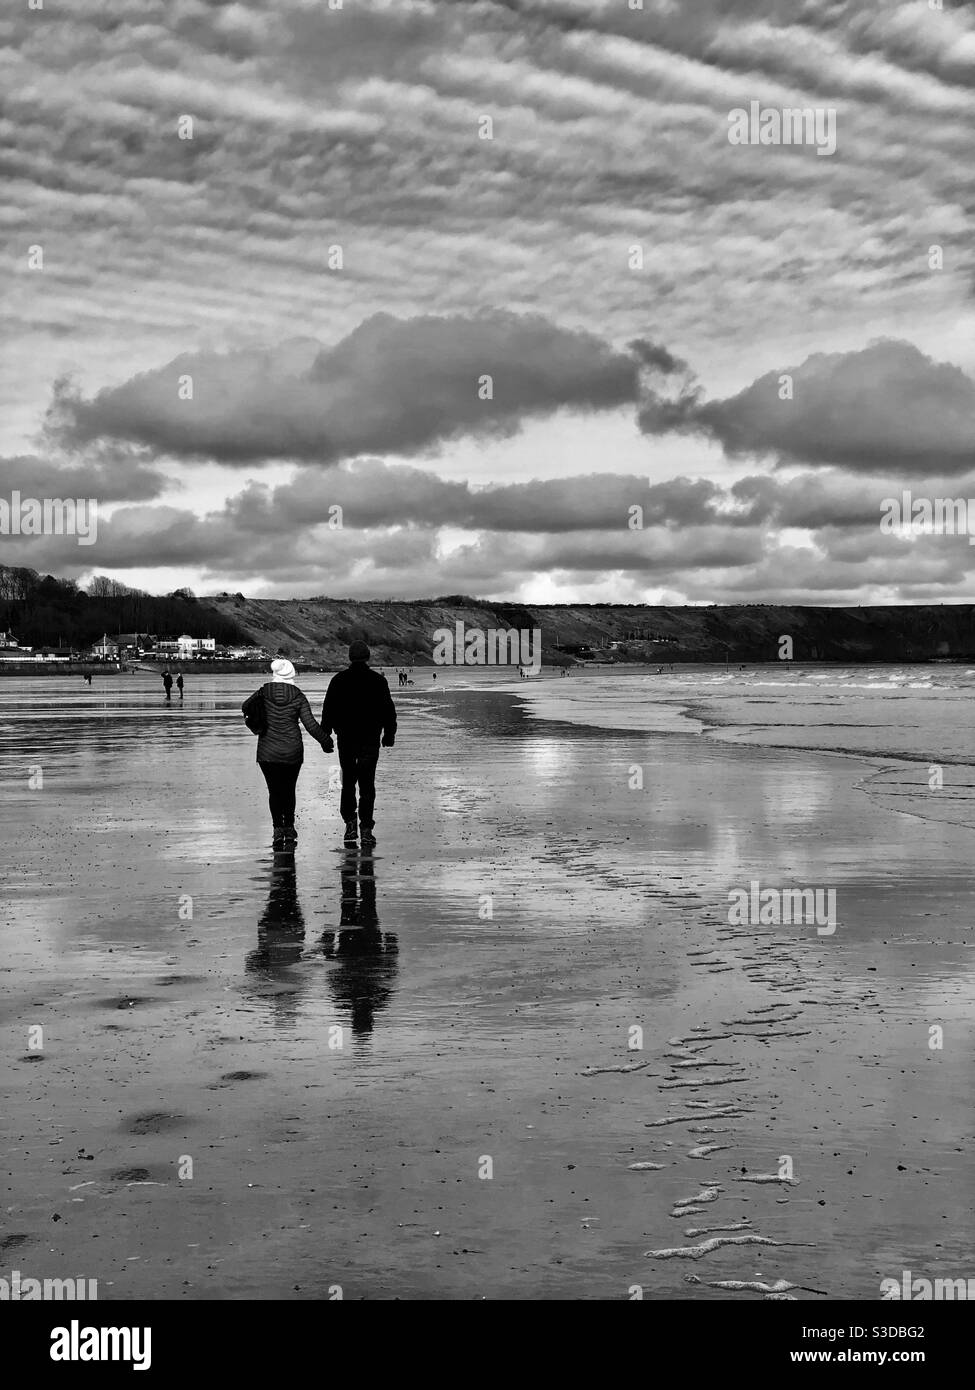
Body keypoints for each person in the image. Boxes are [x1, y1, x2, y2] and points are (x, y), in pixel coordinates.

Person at [242, 658, 332, 851]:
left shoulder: (263, 692)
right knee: (289, 789)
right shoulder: (298, 696)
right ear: (291, 674)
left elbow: (245, 706)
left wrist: (259, 720)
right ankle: (289, 827)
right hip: (292, 751)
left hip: (267, 751)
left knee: (274, 791)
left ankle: (277, 830)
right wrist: (326, 741)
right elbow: (310, 724)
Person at [321, 641, 396, 847]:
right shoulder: (378, 681)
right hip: (370, 739)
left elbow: (328, 711)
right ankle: (366, 828)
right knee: (367, 785)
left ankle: (350, 823)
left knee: (348, 783)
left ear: (350, 657)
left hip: (346, 739)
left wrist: (325, 736)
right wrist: (389, 734)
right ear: (368, 656)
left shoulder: (338, 680)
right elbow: (388, 711)